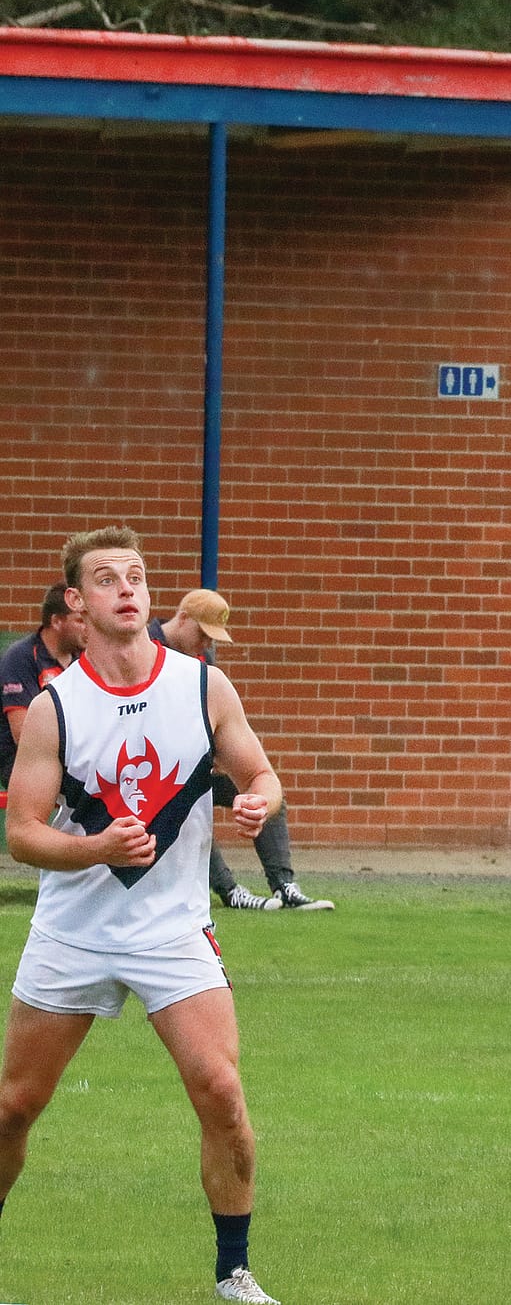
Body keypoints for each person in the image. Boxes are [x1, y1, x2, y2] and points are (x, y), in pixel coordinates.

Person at [0, 526, 286, 1303]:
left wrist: (260, 801)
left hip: (172, 929)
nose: (127, 587)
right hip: (75, 929)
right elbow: (21, 832)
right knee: (13, 1108)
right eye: (106, 578)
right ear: (77, 602)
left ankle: (234, 1271)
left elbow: (259, 768)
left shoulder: (203, 687)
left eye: (136, 575)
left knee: (221, 1091)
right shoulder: (58, 705)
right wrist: (95, 848)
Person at [149, 590, 332, 914]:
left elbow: (211, 715)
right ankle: (230, 890)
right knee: (183, 806)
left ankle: (284, 885)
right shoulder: (144, 648)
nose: (206, 644)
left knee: (261, 789)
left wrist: (218, 754)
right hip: (151, 772)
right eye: (203, 635)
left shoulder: (202, 662)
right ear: (183, 618)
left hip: (202, 762)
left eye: (212, 638)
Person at [0, 583, 87, 787]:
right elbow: (22, 736)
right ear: (56, 621)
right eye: (80, 620)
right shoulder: (21, 657)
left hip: (70, 758)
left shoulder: (83, 657)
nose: (87, 628)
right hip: (22, 762)